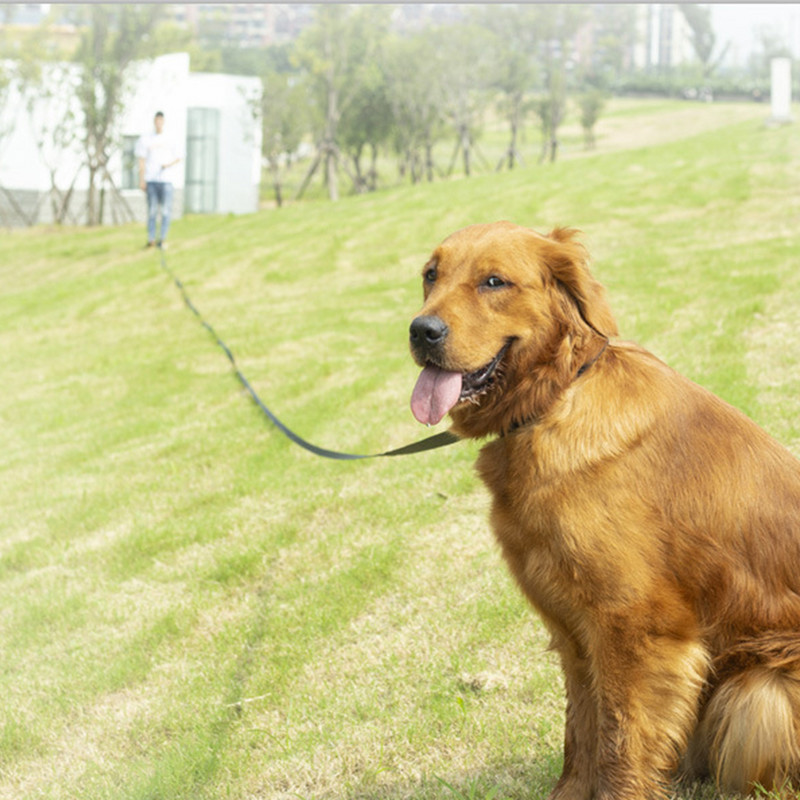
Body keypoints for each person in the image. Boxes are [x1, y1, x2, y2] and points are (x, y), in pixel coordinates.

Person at [135, 111, 182, 249]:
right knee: (152, 211)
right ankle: (151, 240)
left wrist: (168, 164)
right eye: (157, 120)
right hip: (151, 180)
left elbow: (179, 157)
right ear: (154, 121)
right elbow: (141, 160)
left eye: (161, 120)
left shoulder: (170, 138)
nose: (158, 123)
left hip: (166, 180)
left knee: (166, 211)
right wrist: (141, 179)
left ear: (164, 121)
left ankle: (162, 239)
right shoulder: (146, 139)